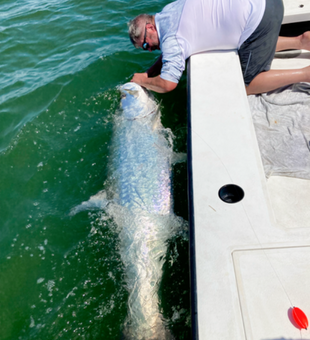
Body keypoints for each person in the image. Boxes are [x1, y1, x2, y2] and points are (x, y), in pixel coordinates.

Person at [128, 0, 310, 95]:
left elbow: (168, 84)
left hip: (261, 19)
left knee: (245, 86)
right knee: (248, 43)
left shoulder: (171, 39)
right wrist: (150, 71)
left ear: (150, 28)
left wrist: (142, 82)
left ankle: (305, 74)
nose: (150, 50)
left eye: (145, 45)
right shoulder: (168, 11)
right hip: (270, 4)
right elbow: (171, 50)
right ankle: (301, 41)